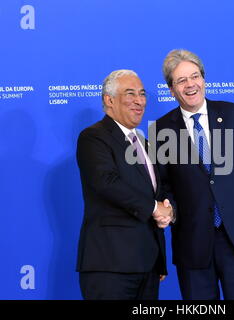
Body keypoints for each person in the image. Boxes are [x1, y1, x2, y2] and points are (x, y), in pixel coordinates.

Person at [153, 49, 234, 300]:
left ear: (203, 79)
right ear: (171, 89)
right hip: (192, 243)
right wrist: (169, 208)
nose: (191, 84)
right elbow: (161, 186)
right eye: (181, 80)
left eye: (195, 76)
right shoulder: (159, 129)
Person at [76, 69, 173, 300]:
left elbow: (161, 191)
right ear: (109, 100)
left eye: (142, 94)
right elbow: (107, 183)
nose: (139, 101)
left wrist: (168, 209)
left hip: (148, 266)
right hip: (110, 265)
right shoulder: (93, 137)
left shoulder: (146, 144)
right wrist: (154, 208)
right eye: (130, 94)